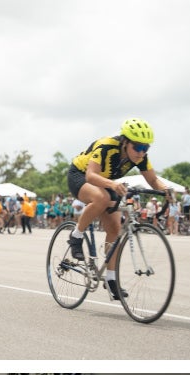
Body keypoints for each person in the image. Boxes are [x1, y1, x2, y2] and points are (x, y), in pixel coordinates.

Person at [64, 118, 173, 299]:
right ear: (125, 142)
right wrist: (113, 185)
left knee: (115, 229)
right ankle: (76, 236)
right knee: (102, 198)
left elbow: (153, 180)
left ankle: (111, 279)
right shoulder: (107, 146)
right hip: (80, 175)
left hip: (105, 182)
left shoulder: (140, 157)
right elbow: (91, 175)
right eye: (138, 147)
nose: (141, 152)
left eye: (146, 148)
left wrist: (166, 190)